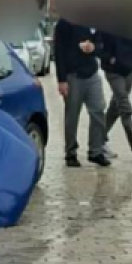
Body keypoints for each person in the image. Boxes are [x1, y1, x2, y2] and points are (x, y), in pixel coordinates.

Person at [54, 17, 111, 167]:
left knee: (98, 110)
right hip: (72, 75)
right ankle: (71, 152)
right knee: (72, 116)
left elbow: (102, 46)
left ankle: (96, 151)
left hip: (92, 73)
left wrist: (93, 48)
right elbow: (58, 50)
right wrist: (61, 79)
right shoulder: (65, 22)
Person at [99, 31, 132, 162]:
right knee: (123, 104)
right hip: (113, 71)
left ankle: (98, 137)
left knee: (116, 106)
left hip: (129, 69)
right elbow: (98, 46)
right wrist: (109, 58)